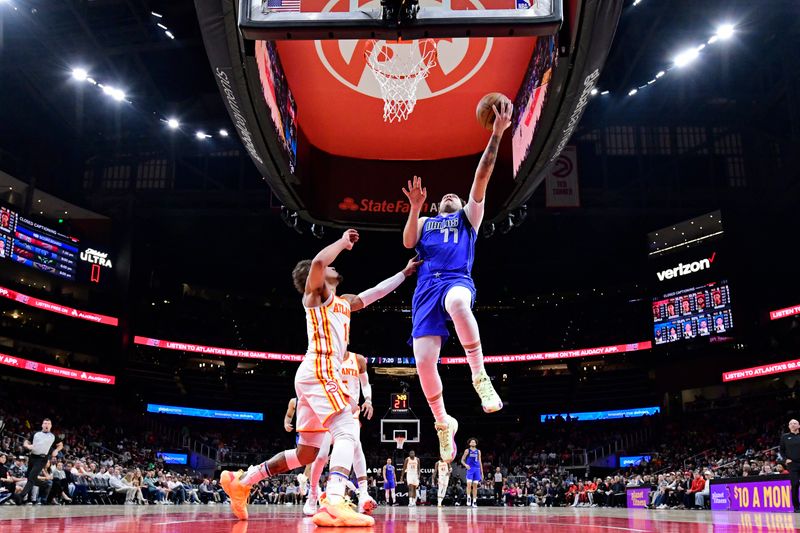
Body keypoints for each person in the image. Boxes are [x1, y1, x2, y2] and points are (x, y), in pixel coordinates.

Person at [219, 229, 419, 527]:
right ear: (319, 276)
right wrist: (342, 243)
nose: (333, 268)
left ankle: (243, 481)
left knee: (306, 452)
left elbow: (375, 292)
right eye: (328, 267)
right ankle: (334, 500)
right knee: (347, 430)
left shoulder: (343, 302)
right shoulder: (314, 297)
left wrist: (403, 273)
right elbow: (316, 265)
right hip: (320, 368)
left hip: (315, 375)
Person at [401, 100, 513, 463]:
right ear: (437, 207)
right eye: (445, 196)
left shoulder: (469, 218)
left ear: (464, 203)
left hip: (456, 279)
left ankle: (480, 376)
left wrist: (496, 135)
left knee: (459, 303)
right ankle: (442, 424)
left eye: (456, 195)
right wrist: (416, 208)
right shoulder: (425, 224)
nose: (451, 195)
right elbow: (406, 241)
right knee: (423, 362)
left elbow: (482, 175)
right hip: (425, 289)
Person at [304, 351, 377, 516]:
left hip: (350, 412)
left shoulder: (358, 359)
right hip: (330, 410)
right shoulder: (327, 359)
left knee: (357, 446)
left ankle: (363, 494)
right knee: (321, 455)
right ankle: (313, 493)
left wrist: (368, 400)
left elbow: (365, 383)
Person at [14, 418, 62, 505]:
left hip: (42, 459)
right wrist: (28, 446)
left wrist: (56, 450)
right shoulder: (35, 434)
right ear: (42, 425)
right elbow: (26, 442)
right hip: (32, 457)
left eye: (48, 423)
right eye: (45, 423)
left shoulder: (53, 436)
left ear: (51, 426)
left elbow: (60, 445)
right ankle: (48, 485)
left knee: (31, 477)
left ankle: (21, 496)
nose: (46, 425)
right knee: (30, 478)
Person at [283, 397, 313, 497]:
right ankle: (306, 481)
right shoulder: (294, 401)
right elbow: (288, 415)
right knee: (311, 461)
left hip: (318, 431)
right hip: (303, 434)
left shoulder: (317, 396)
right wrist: (286, 423)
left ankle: (305, 480)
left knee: (316, 462)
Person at [780, 418, 800, 512]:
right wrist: (785, 459)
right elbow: (781, 451)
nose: (793, 425)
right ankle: (796, 507)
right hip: (792, 464)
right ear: (789, 426)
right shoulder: (785, 437)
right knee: (795, 484)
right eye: (791, 423)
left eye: (795, 423)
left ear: (799, 426)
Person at [461, 438, 482, 508]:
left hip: (477, 469)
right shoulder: (467, 451)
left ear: (476, 444)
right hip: (470, 469)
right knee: (469, 485)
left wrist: (482, 472)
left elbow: (480, 462)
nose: (473, 443)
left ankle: (475, 501)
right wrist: (465, 465)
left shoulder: (478, 451)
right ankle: (469, 497)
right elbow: (462, 460)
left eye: (474, 442)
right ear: (469, 444)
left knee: (475, 486)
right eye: (471, 442)